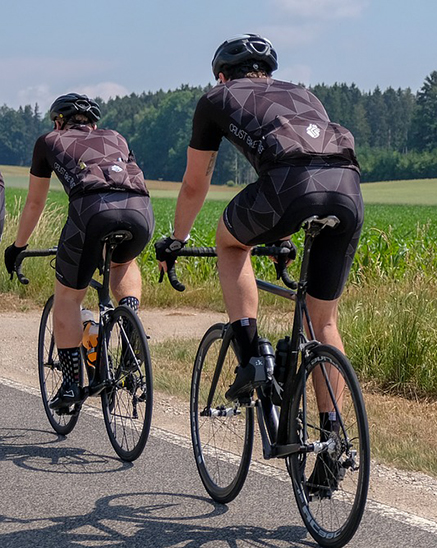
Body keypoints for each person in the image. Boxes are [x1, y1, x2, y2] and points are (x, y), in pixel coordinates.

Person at [154, 34, 363, 482]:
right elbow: (312, 158)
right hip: (347, 191)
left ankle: (252, 356)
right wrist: (284, 234)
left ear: (222, 74)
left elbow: (195, 184)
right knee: (322, 322)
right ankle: (331, 443)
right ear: (267, 72)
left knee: (231, 243)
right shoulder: (304, 94)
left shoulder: (217, 96)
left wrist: (177, 238)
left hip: (288, 190)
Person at [5, 93, 154, 410]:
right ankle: (129, 322)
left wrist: (18, 246)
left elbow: (34, 203)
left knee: (68, 298)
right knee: (123, 261)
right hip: (141, 213)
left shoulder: (49, 140)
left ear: (59, 122)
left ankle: (73, 385)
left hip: (92, 213)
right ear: (94, 123)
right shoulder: (116, 137)